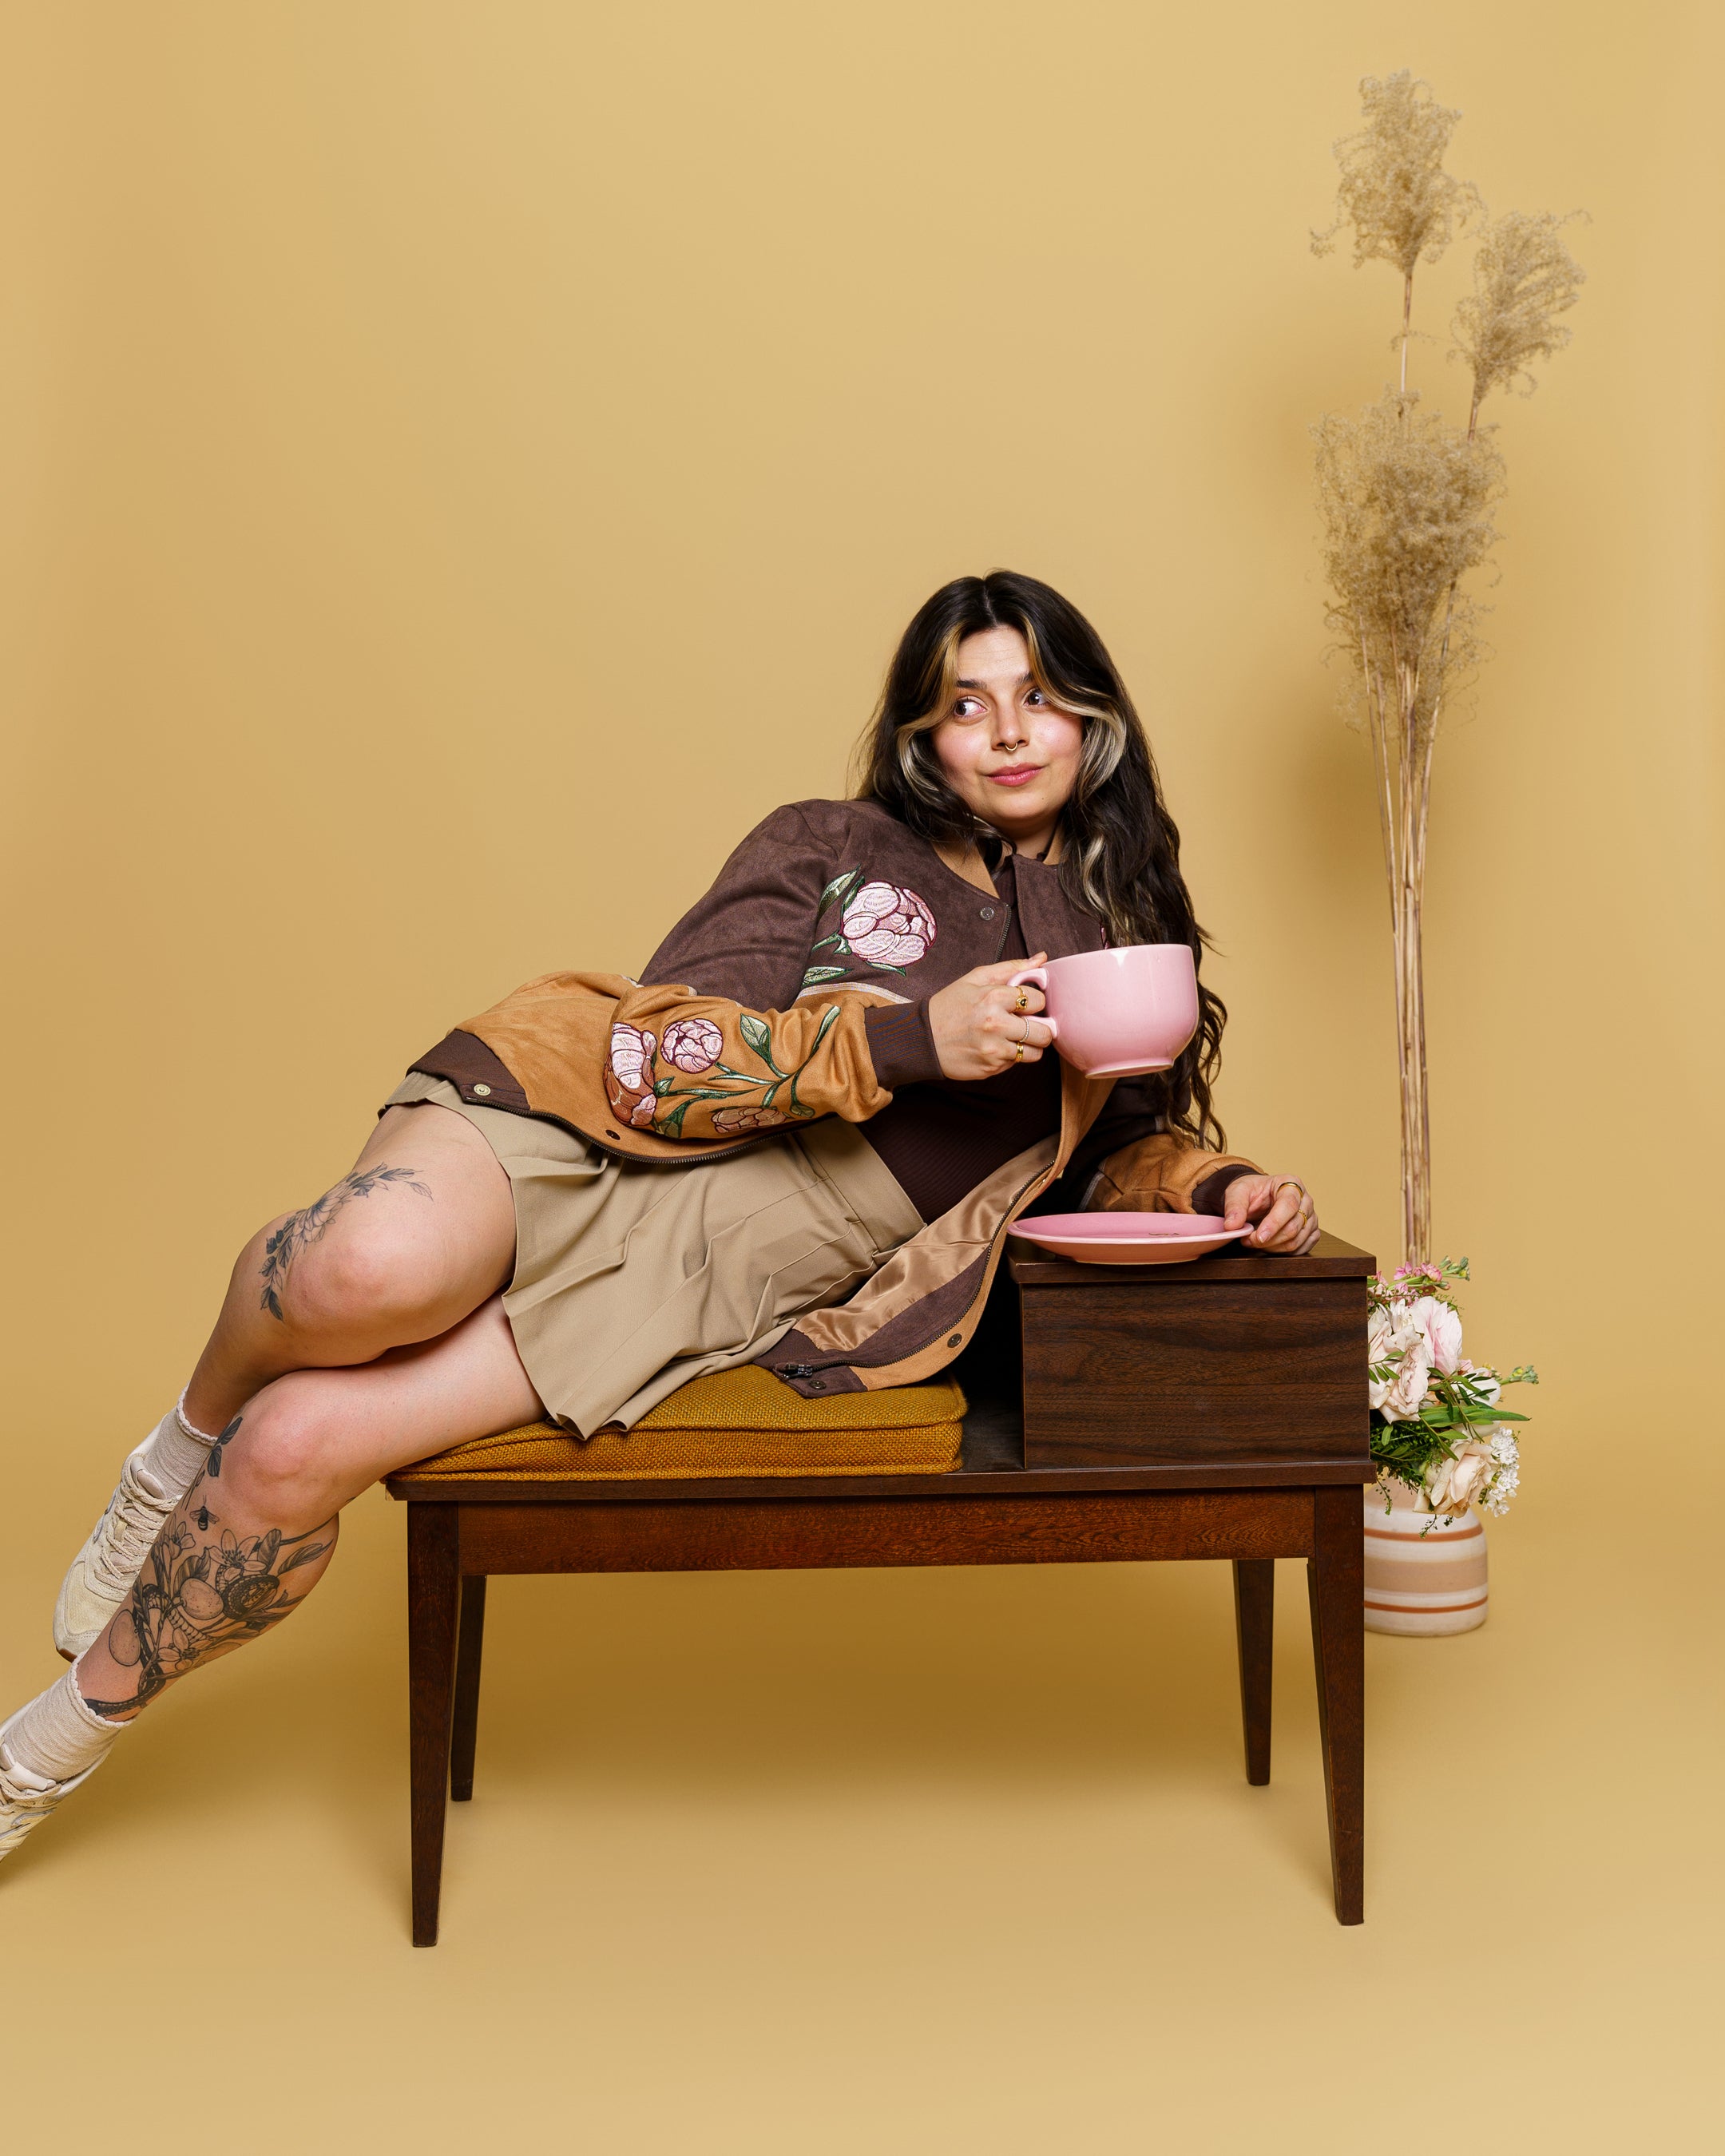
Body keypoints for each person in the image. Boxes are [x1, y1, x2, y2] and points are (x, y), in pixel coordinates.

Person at [0, 570, 1321, 1861]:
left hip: (730, 1261)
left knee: (298, 1450)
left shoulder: (1123, 927)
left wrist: (1220, 1188)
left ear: (1094, 717)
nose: (1012, 729)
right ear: (925, 740)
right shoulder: (834, 842)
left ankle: (39, 1752)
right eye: (968, 705)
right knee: (361, 1267)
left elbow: (1118, 1153)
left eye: (1039, 694)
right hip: (593, 1121)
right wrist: (922, 1037)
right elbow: (661, 1058)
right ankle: (175, 1450)